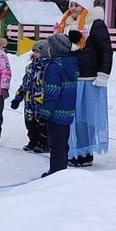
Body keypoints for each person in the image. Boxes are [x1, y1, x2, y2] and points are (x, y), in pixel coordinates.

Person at [55, 0, 112, 167]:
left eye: (76, 5)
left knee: (86, 117)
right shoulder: (66, 25)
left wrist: (103, 73)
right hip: (71, 78)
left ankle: (85, 152)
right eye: (71, 5)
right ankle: (73, 150)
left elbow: (106, 50)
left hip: (89, 79)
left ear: (85, 7)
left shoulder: (95, 24)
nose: (72, 8)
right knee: (72, 116)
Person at [39, 34, 78, 176]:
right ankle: (62, 170)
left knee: (55, 145)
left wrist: (44, 114)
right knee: (63, 143)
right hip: (67, 112)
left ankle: (56, 172)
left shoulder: (54, 67)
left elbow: (52, 93)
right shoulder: (72, 65)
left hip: (55, 113)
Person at [12, 39, 50, 153]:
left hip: (41, 101)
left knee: (41, 123)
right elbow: (25, 83)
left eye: (37, 51)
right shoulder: (30, 67)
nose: (34, 53)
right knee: (30, 123)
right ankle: (32, 140)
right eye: (33, 51)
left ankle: (44, 143)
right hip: (30, 101)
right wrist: (18, 97)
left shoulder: (48, 67)